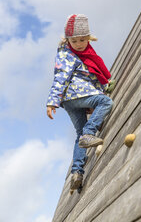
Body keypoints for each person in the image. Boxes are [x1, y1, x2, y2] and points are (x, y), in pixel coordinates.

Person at [46, 14, 113, 191]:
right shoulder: (66, 55)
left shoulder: (84, 55)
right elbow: (60, 77)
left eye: (82, 40)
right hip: (75, 95)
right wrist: (52, 101)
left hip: (71, 101)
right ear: (67, 40)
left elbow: (92, 78)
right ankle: (89, 134)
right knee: (105, 102)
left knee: (79, 134)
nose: (79, 44)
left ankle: (77, 173)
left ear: (89, 38)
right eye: (74, 41)